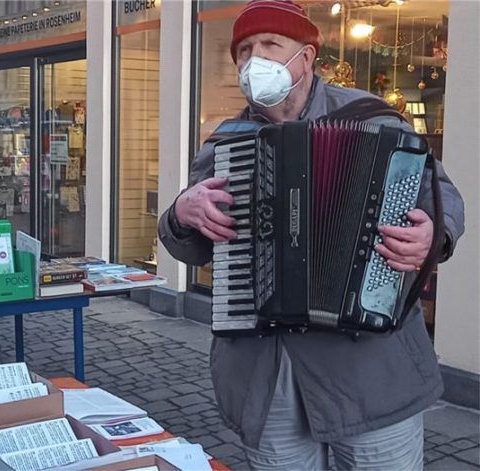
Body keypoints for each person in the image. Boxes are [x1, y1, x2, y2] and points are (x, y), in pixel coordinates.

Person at [158, 1, 465, 469]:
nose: (253, 59)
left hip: (370, 374)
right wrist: (182, 213)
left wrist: (432, 237)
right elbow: (191, 244)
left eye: (269, 45)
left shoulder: (374, 118)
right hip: (267, 377)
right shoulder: (226, 143)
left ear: (305, 57)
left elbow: (441, 200)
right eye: (244, 50)